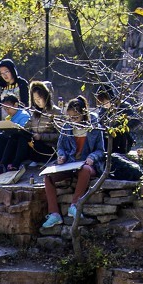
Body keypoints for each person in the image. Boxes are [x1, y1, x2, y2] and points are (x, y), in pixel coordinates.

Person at [41, 95, 105, 229]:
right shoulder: (66, 127)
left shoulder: (94, 128)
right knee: (48, 177)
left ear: (83, 114)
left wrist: (92, 157)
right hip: (70, 164)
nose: (73, 120)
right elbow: (61, 148)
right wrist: (61, 156)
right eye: (70, 117)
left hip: (87, 165)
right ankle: (54, 214)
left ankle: (74, 205)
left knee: (85, 170)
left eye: (76, 117)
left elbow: (100, 150)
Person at [94, 86, 137, 155]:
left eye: (104, 102)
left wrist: (119, 127)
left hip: (123, 140)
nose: (103, 105)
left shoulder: (123, 106)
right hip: (107, 140)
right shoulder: (103, 110)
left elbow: (135, 120)